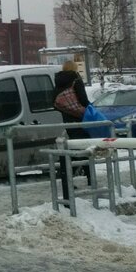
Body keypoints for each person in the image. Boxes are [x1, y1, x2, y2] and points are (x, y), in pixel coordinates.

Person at [53, 61, 91, 202]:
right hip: (80, 119)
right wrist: (90, 109)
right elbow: (84, 100)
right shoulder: (76, 80)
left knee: (75, 147)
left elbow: (55, 102)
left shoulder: (58, 82)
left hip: (67, 119)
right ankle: (87, 178)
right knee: (85, 148)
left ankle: (65, 175)